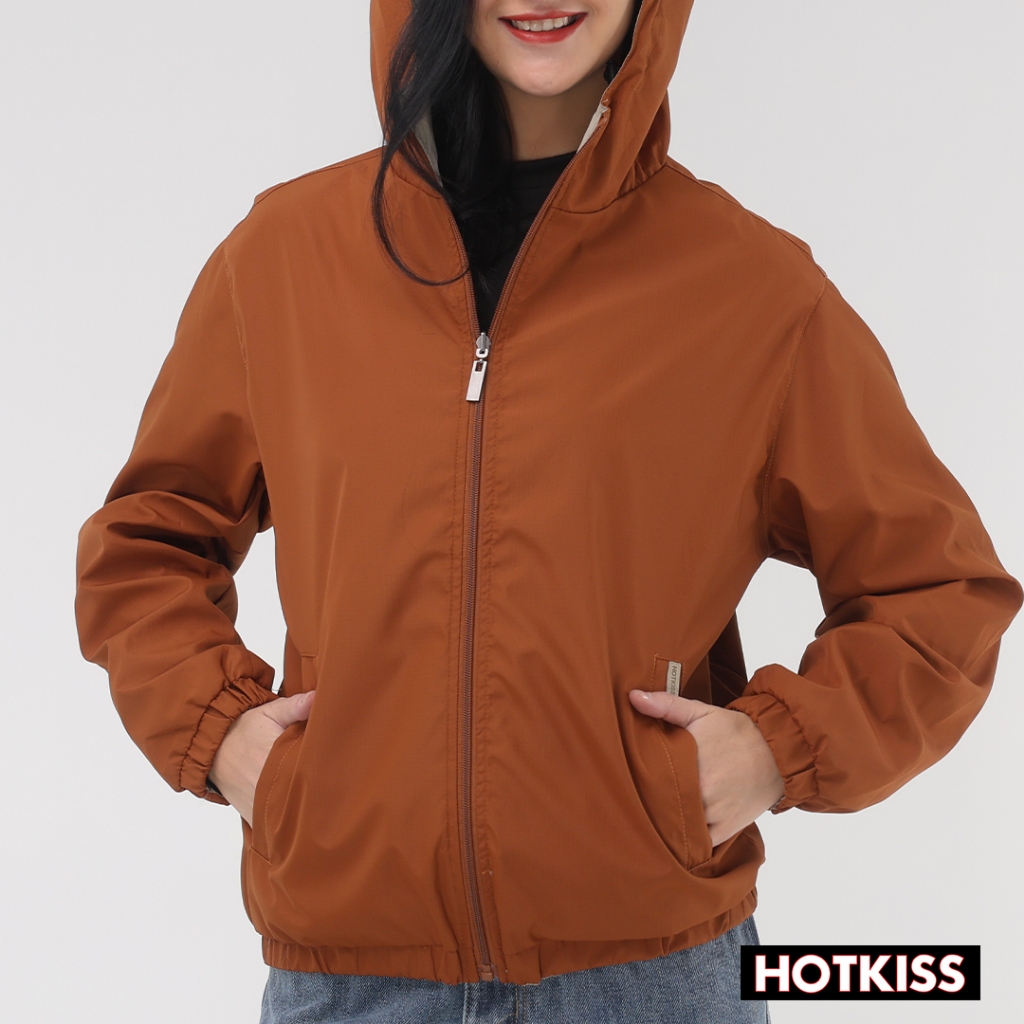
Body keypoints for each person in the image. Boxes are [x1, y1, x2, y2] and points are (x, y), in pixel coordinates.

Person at [75, 1, 1021, 1022]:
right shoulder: (284, 258)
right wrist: (218, 732)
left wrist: (777, 748)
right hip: (350, 977)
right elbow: (148, 540)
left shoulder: (750, 286)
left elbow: (937, 592)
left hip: (655, 980)